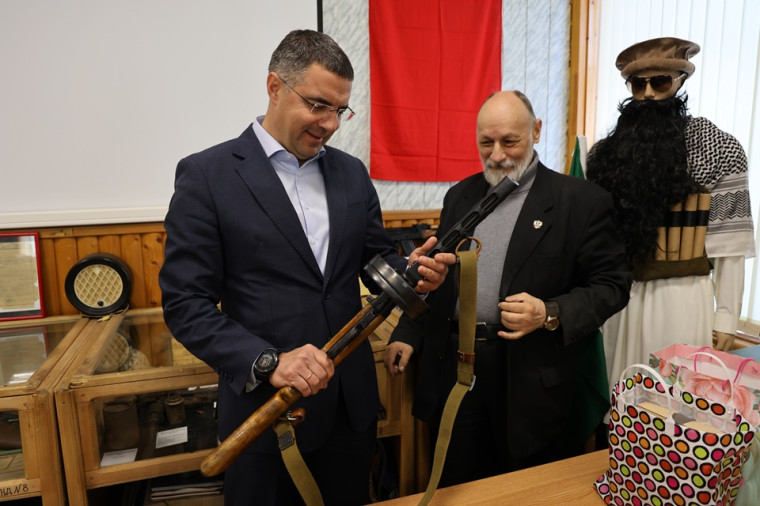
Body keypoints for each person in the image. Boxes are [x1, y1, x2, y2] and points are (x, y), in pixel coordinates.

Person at [158, 29, 455, 506]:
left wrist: (414, 274)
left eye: (340, 110)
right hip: (266, 414)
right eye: (318, 105)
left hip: (350, 412)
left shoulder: (351, 172)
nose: (330, 124)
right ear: (275, 87)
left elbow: (374, 260)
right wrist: (269, 361)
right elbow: (185, 304)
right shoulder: (208, 176)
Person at [384, 90, 632, 486]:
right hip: (457, 370)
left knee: (526, 488)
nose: (497, 155)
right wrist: (408, 330)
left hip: (532, 382)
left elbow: (612, 286)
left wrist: (549, 312)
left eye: (509, 141)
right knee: (458, 487)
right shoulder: (460, 196)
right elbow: (438, 278)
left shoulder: (580, 201)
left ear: (536, 131)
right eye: (486, 142)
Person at [586, 37, 755, 387]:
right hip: (620, 295)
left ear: (679, 81)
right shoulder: (605, 156)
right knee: (619, 394)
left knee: (674, 396)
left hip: (682, 295)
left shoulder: (720, 148)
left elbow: (730, 244)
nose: (648, 93)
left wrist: (725, 317)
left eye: (660, 82)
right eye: (638, 84)